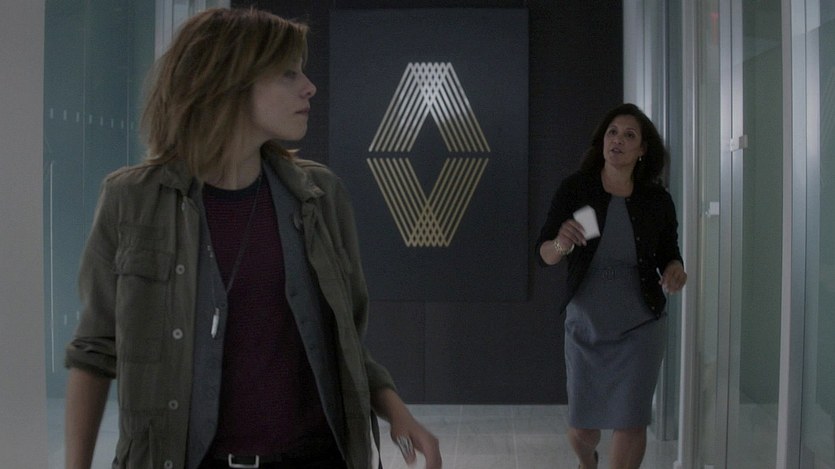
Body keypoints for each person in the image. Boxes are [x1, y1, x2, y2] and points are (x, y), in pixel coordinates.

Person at [64, 7, 441, 469]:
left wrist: (396, 411)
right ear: (228, 81)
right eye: (288, 74)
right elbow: (95, 352)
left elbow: (344, 345)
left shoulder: (320, 197)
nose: (309, 87)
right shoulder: (131, 200)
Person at [537, 103, 687, 469]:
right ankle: (587, 459)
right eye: (612, 133)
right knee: (582, 429)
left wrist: (675, 269)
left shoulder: (657, 199)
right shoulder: (576, 189)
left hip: (641, 323)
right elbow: (544, 254)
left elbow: (670, 252)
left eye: (629, 135)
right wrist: (561, 243)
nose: (617, 140)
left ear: (642, 149)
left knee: (631, 421)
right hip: (586, 322)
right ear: (602, 141)